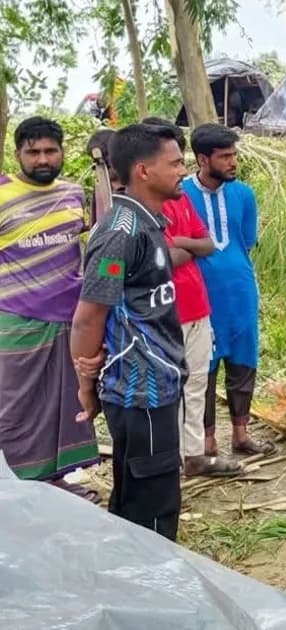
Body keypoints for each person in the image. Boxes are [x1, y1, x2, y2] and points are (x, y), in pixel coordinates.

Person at [71, 123, 187, 540]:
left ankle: (132, 581)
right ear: (143, 170)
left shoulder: (147, 222)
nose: (182, 169)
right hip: (142, 391)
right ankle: (153, 588)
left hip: (155, 386)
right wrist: (87, 383)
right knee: (153, 508)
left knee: (137, 496)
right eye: (174, 163)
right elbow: (89, 316)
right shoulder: (121, 235)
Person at [0, 117, 99, 497]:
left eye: (50, 151)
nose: (43, 159)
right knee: (15, 407)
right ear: (18, 154)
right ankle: (13, 487)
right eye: (34, 152)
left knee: (63, 405)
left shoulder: (74, 194)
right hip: (16, 320)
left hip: (70, 321)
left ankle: (53, 483)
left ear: (62, 153)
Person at [141, 117, 239, 478]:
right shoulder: (141, 209)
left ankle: (194, 455)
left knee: (196, 383)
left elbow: (207, 244)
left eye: (181, 160)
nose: (181, 169)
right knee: (167, 388)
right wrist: (187, 248)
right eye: (175, 162)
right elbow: (160, 260)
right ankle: (167, 458)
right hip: (165, 312)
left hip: (198, 307)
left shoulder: (180, 200)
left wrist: (181, 245)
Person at [181, 124, 276, 458]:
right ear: (203, 159)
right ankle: (207, 439)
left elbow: (246, 241)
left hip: (240, 288)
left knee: (243, 358)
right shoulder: (180, 195)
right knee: (203, 363)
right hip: (200, 295)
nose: (233, 162)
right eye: (225, 157)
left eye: (234, 154)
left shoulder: (244, 195)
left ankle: (241, 433)